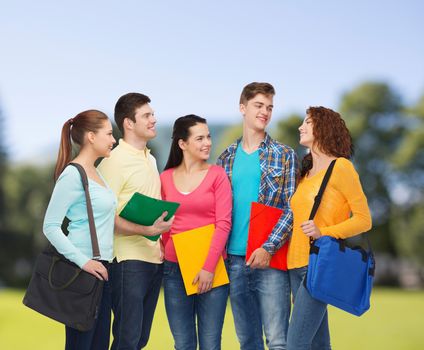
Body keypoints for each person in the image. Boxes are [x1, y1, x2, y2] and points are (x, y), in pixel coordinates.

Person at [217, 82, 298, 350]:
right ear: (243, 108)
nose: (265, 112)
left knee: (278, 341)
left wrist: (268, 246)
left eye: (270, 107)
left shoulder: (284, 155)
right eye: (259, 105)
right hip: (235, 261)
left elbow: (292, 207)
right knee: (247, 341)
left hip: (271, 260)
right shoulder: (225, 157)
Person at [286, 106, 372, 350]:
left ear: (323, 128)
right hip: (295, 265)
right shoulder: (304, 174)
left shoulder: (341, 168)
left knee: (296, 345)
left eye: (307, 122)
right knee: (318, 345)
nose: (301, 127)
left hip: (319, 264)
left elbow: (364, 219)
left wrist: (324, 232)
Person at [97, 93, 173, 350]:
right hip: (127, 261)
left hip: (153, 259)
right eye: (147, 116)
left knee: (139, 339)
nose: (154, 119)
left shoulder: (150, 159)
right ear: (129, 123)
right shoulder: (113, 161)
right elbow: (104, 215)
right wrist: (146, 229)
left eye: (153, 114)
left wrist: (158, 236)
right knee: (127, 339)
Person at [43, 110, 117, 350]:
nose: (113, 139)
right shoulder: (72, 175)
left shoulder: (97, 174)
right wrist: (84, 262)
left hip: (103, 270)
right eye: (108, 133)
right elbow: (51, 226)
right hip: (83, 273)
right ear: (91, 137)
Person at [160, 114, 232, 350]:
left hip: (211, 268)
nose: (207, 143)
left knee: (211, 344)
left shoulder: (217, 175)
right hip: (174, 270)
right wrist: (161, 245)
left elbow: (223, 224)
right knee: (183, 344)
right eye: (200, 138)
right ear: (182, 144)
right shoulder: (164, 178)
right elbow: (162, 223)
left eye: (208, 137)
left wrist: (208, 268)